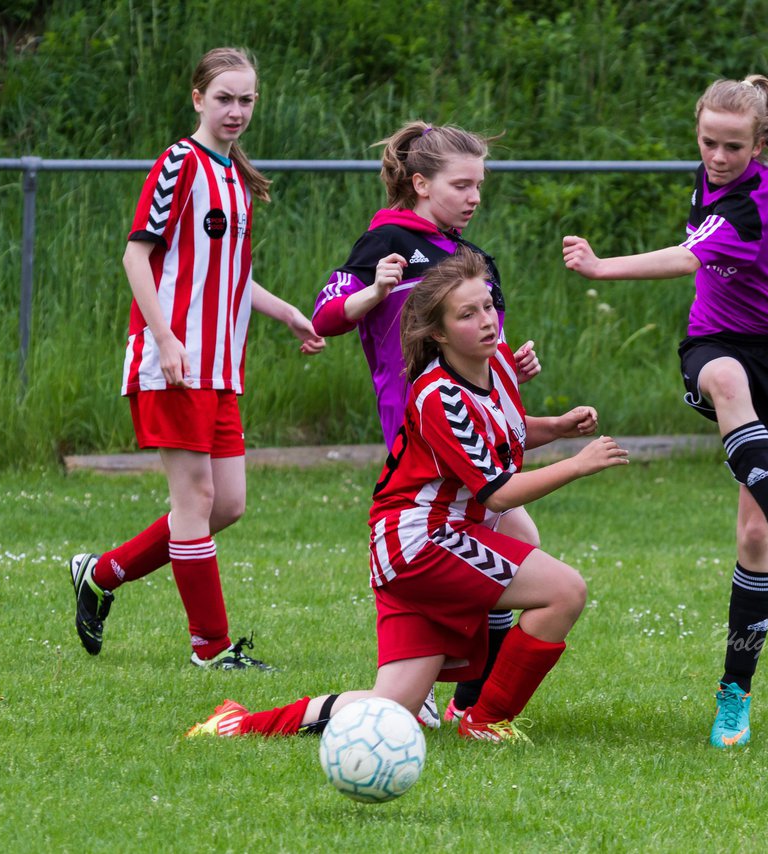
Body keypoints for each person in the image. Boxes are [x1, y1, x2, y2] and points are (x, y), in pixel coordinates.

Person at [185, 249, 629, 742]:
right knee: (564, 591)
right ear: (438, 334)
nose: (486, 321)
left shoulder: (496, 362)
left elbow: (499, 430)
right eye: (467, 314)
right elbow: (497, 493)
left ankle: (239, 723)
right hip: (421, 543)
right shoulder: (438, 396)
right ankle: (484, 721)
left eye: (487, 307)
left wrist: (557, 428)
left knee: (392, 706)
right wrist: (577, 464)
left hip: (414, 542)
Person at [562, 75, 768, 749]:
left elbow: (686, 257)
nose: (716, 156)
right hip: (716, 341)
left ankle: (734, 693)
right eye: (708, 141)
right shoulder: (710, 176)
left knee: (752, 539)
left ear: (760, 144)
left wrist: (599, 267)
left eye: (733, 146)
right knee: (725, 380)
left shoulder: (753, 205)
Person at [68, 47, 325, 671]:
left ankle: (100, 574)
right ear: (197, 100)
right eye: (224, 99)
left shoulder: (235, 176)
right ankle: (210, 649)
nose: (236, 111)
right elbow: (136, 258)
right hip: (174, 362)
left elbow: (231, 277)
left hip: (219, 365)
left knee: (226, 506)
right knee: (195, 499)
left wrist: (287, 311)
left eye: (247, 100)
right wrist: (164, 338)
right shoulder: (179, 164)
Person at [311, 121, 541, 726]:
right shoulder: (385, 242)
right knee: (505, 549)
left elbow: (475, 351)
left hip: (468, 431)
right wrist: (375, 290)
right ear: (419, 183)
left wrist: (512, 365)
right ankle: (464, 699)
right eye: (460, 185)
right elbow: (326, 315)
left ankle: (458, 693)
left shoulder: (470, 258)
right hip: (424, 438)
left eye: (479, 186)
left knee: (513, 546)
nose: (473, 197)